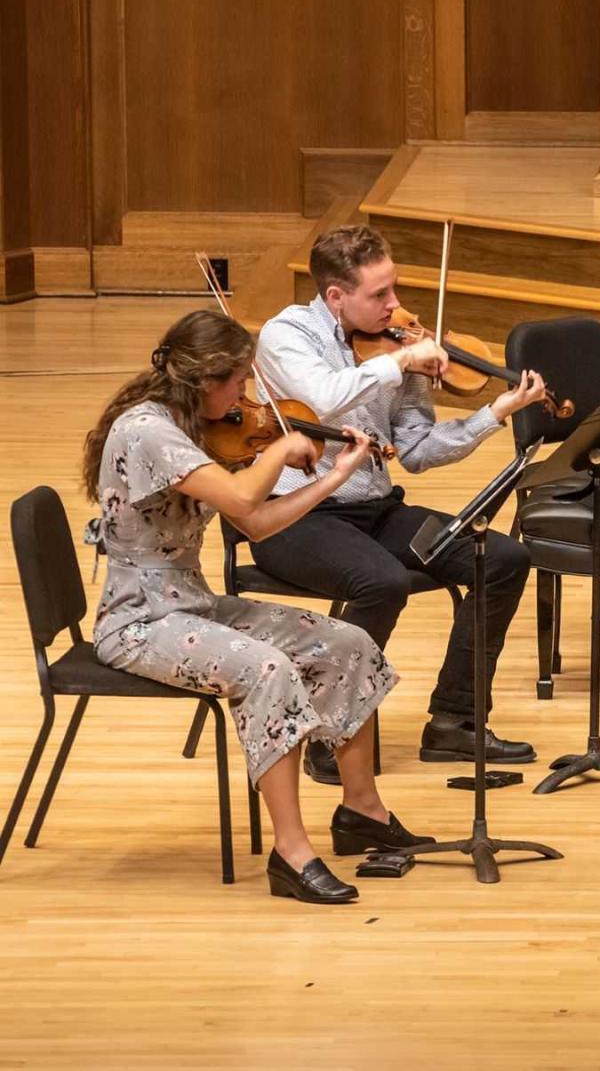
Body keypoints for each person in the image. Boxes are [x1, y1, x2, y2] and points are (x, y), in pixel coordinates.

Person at [84, 310, 431, 903]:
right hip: (139, 619)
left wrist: (331, 475)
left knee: (346, 643)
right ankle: (291, 855)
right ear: (204, 380)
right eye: (239, 382)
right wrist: (284, 449)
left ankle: (362, 812)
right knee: (265, 669)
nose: (246, 397)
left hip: (190, 604)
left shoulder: (198, 427)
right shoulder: (146, 430)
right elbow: (245, 492)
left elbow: (259, 522)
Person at [251, 226, 545, 784]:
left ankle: (456, 721)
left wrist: (496, 413)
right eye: (379, 295)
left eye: (394, 290)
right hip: (294, 517)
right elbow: (325, 397)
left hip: (374, 511)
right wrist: (402, 364)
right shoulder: (285, 335)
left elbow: (416, 452)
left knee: (502, 558)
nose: (394, 306)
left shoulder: (397, 345)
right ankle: (328, 734)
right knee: (382, 582)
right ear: (337, 296)